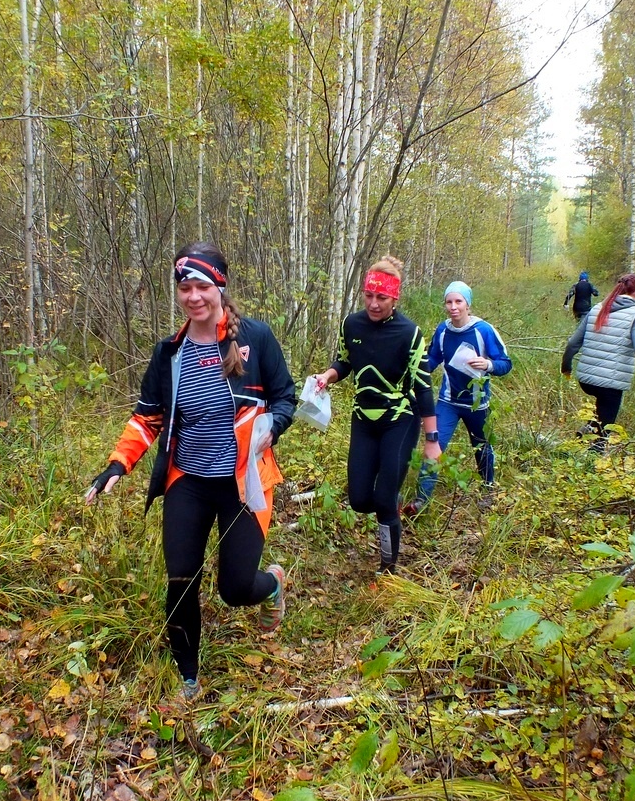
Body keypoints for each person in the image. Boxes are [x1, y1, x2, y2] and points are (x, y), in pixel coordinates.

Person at [84, 243, 296, 700]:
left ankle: (272, 584)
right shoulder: (170, 354)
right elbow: (147, 417)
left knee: (236, 589)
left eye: (202, 285)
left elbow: (284, 396)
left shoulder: (253, 340)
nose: (194, 296)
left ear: (220, 286)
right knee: (181, 579)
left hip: (243, 482)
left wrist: (272, 427)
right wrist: (118, 464)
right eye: (185, 287)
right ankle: (188, 678)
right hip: (188, 482)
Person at [312, 256, 441, 575]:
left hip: (400, 420)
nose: (373, 303)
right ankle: (390, 502)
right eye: (368, 296)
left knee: (383, 500)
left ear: (394, 298)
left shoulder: (410, 333)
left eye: (381, 298)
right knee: (358, 499)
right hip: (363, 420)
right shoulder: (351, 324)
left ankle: (388, 567)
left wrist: (432, 441)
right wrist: (328, 375)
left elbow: (423, 388)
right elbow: (344, 361)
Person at [403, 281, 512, 515]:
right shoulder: (443, 330)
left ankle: (488, 488)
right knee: (434, 445)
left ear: (468, 304)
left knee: (481, 447)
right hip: (448, 402)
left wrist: (489, 364)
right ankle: (421, 500)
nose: (453, 307)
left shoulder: (484, 330)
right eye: (449, 302)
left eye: (458, 301)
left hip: (477, 404)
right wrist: (411, 376)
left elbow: (506, 364)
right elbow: (431, 360)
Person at [561, 272, 635, 451]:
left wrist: (566, 367)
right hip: (610, 384)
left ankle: (585, 432)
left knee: (602, 408)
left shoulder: (597, 308)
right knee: (605, 431)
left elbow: (573, 343)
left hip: (585, 379)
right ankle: (593, 458)